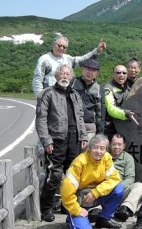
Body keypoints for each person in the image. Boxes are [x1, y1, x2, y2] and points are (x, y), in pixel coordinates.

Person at [35, 64, 88, 222]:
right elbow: (41, 119)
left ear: (71, 76)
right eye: (62, 73)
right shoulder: (47, 94)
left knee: (72, 176)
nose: (65, 76)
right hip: (56, 140)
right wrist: (46, 139)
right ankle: (46, 208)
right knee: (55, 175)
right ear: (56, 76)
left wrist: (83, 136)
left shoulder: (75, 95)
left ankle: (67, 205)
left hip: (74, 139)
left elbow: (80, 117)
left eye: (68, 73)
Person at [60, 134, 124, 229]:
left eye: (102, 148)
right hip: (79, 201)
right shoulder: (79, 163)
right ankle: (73, 216)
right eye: (95, 148)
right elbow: (66, 191)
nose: (99, 151)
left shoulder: (106, 157)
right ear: (89, 148)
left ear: (106, 149)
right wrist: (76, 209)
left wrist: (95, 192)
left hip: (95, 196)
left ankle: (104, 219)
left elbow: (114, 178)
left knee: (118, 188)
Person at [32, 35, 106, 97]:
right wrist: (40, 98)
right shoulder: (44, 59)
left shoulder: (68, 59)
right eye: (59, 45)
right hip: (49, 97)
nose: (61, 48)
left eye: (64, 47)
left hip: (66, 97)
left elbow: (83, 60)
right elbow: (37, 80)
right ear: (53, 45)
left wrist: (97, 51)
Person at [108, 133, 142, 223]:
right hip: (104, 191)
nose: (116, 147)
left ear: (124, 145)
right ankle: (96, 210)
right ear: (109, 144)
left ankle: (125, 209)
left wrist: (117, 188)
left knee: (139, 186)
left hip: (121, 191)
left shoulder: (128, 158)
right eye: (114, 144)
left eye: (119, 144)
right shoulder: (104, 156)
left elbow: (130, 178)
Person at [103, 64, 138, 137]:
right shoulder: (108, 89)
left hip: (125, 127)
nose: (121, 75)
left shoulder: (128, 88)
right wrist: (125, 114)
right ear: (113, 74)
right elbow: (111, 109)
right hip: (110, 128)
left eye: (124, 73)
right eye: (118, 73)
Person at [72, 58, 102, 140]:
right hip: (71, 125)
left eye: (93, 70)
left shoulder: (98, 89)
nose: (89, 72)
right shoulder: (72, 83)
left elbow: (99, 113)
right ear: (82, 69)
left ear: (97, 73)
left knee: (87, 152)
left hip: (89, 128)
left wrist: (99, 133)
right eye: (87, 69)